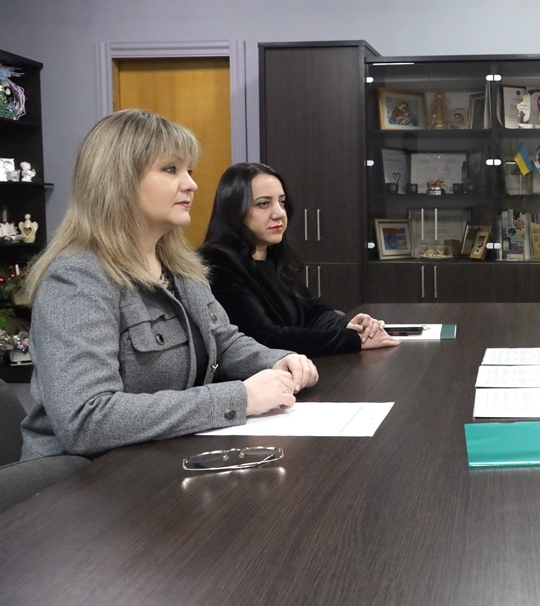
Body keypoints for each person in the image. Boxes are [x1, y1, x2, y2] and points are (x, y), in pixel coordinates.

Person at [19, 109, 318, 460]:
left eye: (189, 170)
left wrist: (278, 360)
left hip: (157, 460)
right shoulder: (76, 278)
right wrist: (239, 398)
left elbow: (224, 341)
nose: (191, 184)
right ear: (118, 180)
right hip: (82, 479)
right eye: (171, 169)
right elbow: (86, 420)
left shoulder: (180, 266)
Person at [200, 163, 399, 357]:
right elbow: (264, 338)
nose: (280, 213)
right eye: (263, 204)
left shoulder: (273, 254)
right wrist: (353, 340)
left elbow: (313, 311)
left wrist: (350, 326)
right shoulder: (218, 261)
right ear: (234, 211)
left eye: (282, 202)